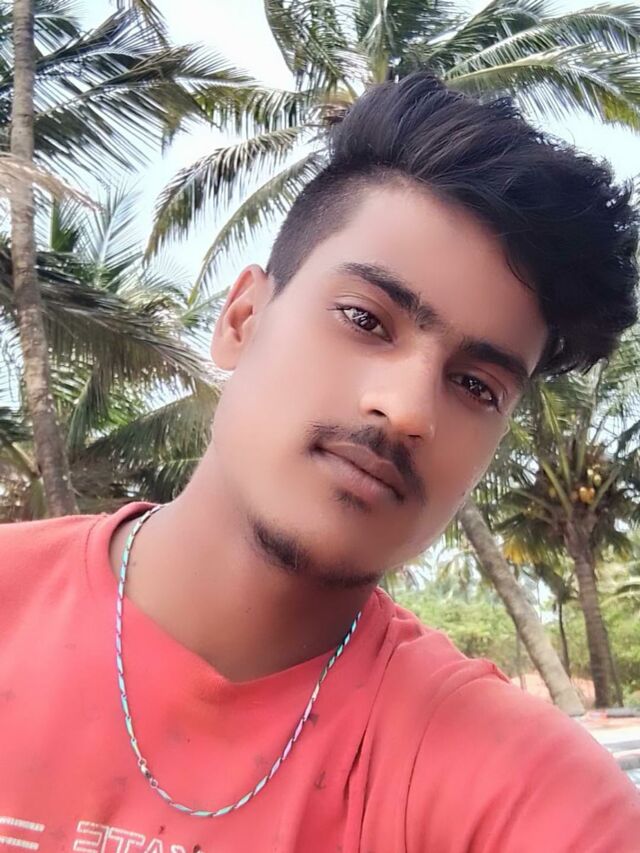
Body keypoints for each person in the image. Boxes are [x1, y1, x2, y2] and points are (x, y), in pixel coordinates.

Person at [1, 73, 639, 853]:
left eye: (477, 385)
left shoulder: (523, 793)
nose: (409, 410)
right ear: (242, 320)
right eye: (366, 318)